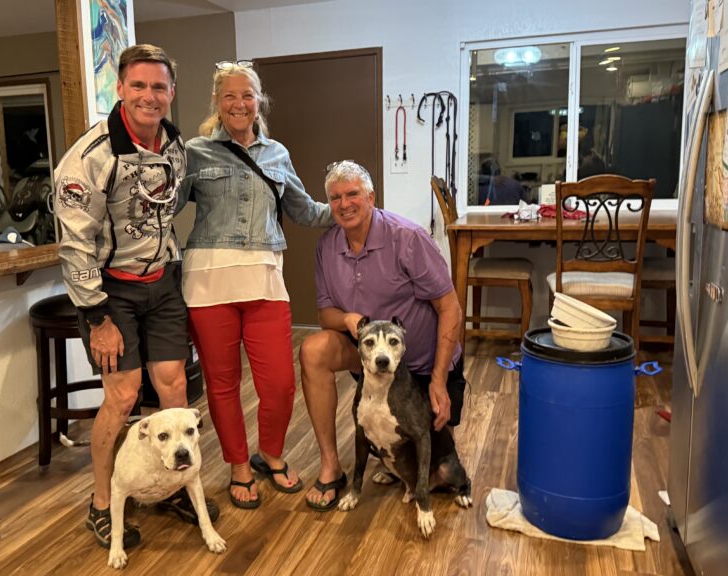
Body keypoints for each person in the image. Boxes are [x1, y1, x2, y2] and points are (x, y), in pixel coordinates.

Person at [54, 43, 217, 552]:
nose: (150, 96)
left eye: (160, 86)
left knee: (173, 390)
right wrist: (98, 317)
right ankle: (102, 504)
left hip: (162, 283)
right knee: (123, 397)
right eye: (139, 85)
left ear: (172, 92)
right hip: (111, 293)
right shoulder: (86, 161)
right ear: (121, 89)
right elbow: (76, 248)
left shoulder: (173, 143)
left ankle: (170, 486)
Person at [177, 60, 332, 509]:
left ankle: (271, 453)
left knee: (280, 384)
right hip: (207, 281)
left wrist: (351, 207)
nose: (239, 103)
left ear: (259, 101)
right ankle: (239, 466)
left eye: (247, 95)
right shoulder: (195, 152)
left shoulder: (277, 154)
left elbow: (304, 210)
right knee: (222, 384)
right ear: (217, 102)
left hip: (265, 279)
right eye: (230, 95)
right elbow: (165, 209)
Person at [298, 160, 465, 511]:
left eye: (353, 194)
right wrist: (347, 318)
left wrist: (438, 381)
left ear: (371, 197)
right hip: (373, 359)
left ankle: (397, 451)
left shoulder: (408, 238)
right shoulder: (327, 247)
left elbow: (450, 307)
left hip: (422, 363)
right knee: (313, 349)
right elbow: (324, 315)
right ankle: (331, 466)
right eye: (336, 197)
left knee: (435, 448)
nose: (344, 204)